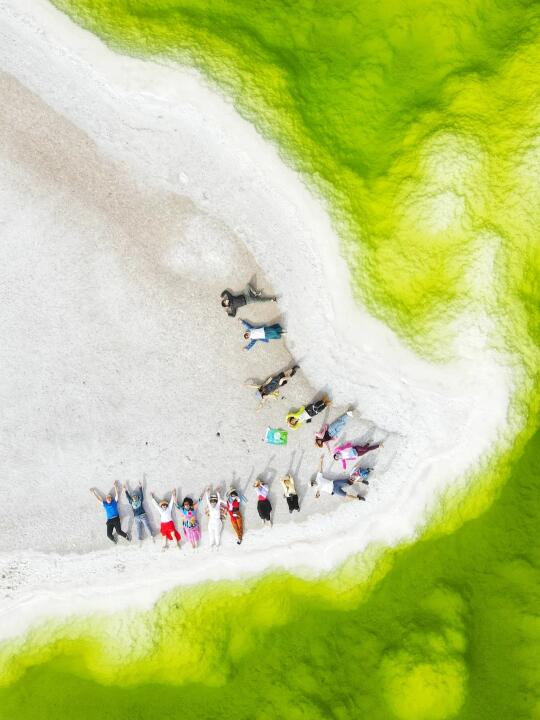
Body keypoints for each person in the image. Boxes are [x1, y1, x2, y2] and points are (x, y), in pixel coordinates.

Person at [123, 480, 154, 546]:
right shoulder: (131, 502)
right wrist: (125, 490)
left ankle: (152, 536)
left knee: (147, 525)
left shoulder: (140, 500)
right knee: (138, 528)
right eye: (133, 497)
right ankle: (140, 540)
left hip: (143, 516)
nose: (134, 497)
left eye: (135, 496)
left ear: (137, 497)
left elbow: (142, 495)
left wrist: (140, 487)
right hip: (136, 518)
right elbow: (128, 497)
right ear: (132, 498)